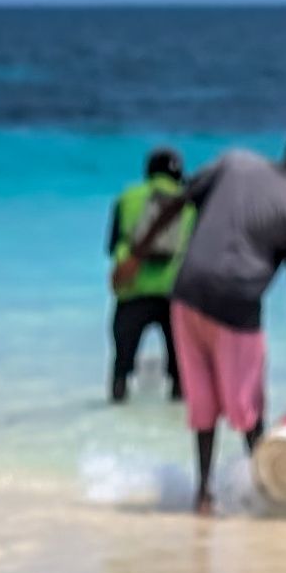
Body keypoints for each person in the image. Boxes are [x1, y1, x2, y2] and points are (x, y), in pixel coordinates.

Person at [169, 127, 286, 512]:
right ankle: (267, 495)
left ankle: (204, 494)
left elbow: (180, 201)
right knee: (249, 410)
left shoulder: (235, 162)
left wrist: (138, 254)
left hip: (186, 295)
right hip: (235, 306)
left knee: (203, 404)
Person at [105, 145, 191, 401]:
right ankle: (179, 428)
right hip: (175, 293)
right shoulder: (187, 201)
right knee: (180, 375)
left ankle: (115, 417)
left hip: (132, 291)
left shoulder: (127, 197)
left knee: (121, 369)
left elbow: (112, 247)